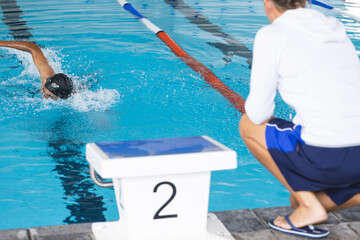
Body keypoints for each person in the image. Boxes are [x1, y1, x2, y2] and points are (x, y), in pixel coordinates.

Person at [239, 0, 360, 238]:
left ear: (267, 3)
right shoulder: (335, 26)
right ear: (305, 3)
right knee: (295, 200)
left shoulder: (271, 34)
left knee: (248, 124)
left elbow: (257, 113)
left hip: (326, 157)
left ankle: (309, 207)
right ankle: (308, 204)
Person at [0, 40, 73, 99]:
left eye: (51, 97)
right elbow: (33, 47)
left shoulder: (68, 94)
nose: (44, 97)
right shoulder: (46, 74)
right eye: (47, 94)